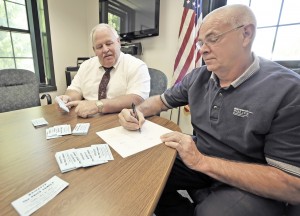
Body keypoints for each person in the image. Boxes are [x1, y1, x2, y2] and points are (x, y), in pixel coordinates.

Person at [118, 4, 300, 216]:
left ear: (246, 34)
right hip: (200, 157)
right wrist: (135, 111)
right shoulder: (197, 77)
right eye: (201, 43)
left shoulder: (288, 90)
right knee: (140, 173)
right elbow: (160, 101)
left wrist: (201, 161)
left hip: (248, 177)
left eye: (212, 39)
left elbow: (292, 186)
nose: (203, 49)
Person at [57, 23, 150, 118]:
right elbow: (75, 89)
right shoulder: (86, 66)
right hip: (87, 118)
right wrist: (68, 98)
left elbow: (137, 99)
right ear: (94, 50)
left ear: (118, 42)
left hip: (121, 120)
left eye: (109, 43)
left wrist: (99, 105)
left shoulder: (137, 66)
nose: (105, 49)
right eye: (99, 47)